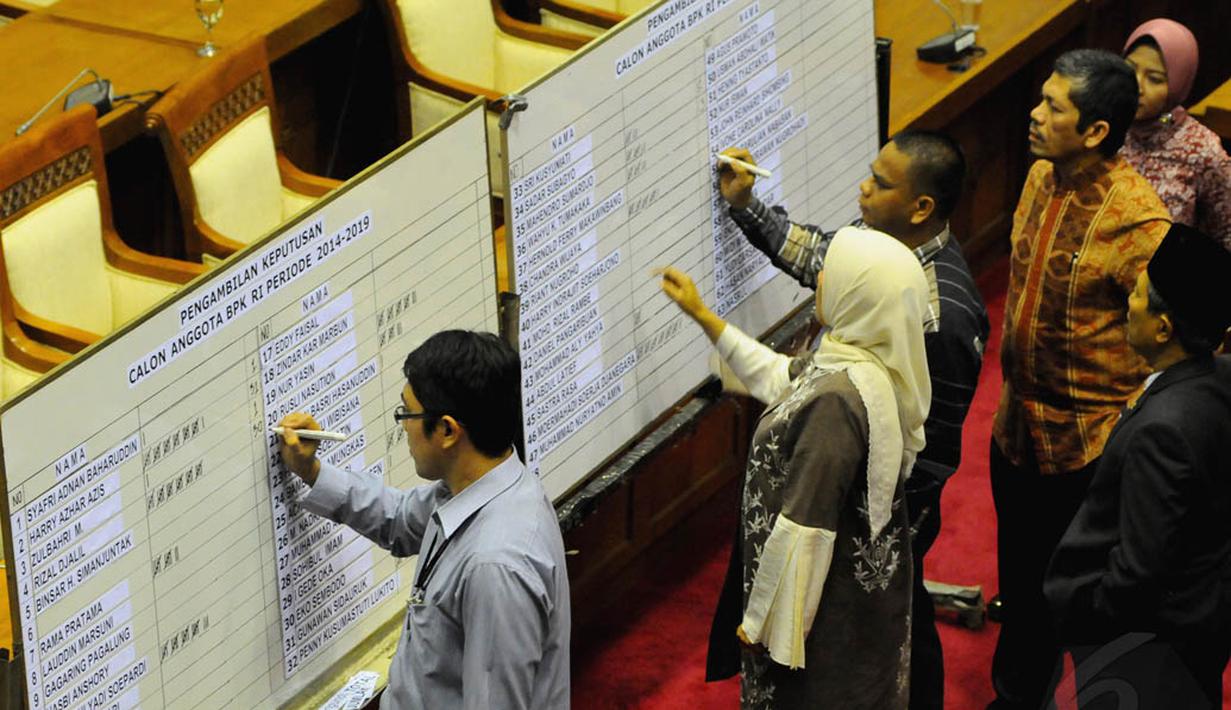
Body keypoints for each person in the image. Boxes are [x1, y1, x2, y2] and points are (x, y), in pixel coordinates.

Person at [715, 131, 989, 710]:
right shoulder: (880, 258)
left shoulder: (945, 315)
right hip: (849, 523)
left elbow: (930, 453)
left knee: (873, 636)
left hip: (865, 528)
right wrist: (747, 205)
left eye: (880, 183)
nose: (862, 188)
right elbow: (819, 255)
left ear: (921, 208)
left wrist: (880, 544)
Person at [659, 225, 931, 709]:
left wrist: (762, 624)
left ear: (859, 294)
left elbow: (806, 525)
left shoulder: (838, 404)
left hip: (816, 630)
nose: (821, 275)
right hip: (847, 615)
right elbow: (779, 377)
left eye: (834, 270)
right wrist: (703, 315)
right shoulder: (860, 365)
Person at [990, 49, 1171, 710]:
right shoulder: (1039, 175)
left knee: (1086, 608)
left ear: (1095, 131)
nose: (1033, 116)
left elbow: (1180, 345)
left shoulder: (1139, 221)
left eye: (1051, 107)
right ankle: (1015, 697)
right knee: (1019, 586)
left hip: (1089, 452)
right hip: (1014, 431)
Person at [276, 330, 570, 709]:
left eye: (407, 413)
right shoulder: (486, 483)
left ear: (447, 430)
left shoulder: (494, 565)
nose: (404, 428)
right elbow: (399, 519)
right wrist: (312, 470)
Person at [1044, 222, 1231, 709]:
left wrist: (1089, 619)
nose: (1128, 300)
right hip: (1202, 621)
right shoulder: (1217, 376)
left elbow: (1139, 570)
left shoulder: (1163, 429)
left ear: (1163, 327)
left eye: (1140, 294)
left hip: (1145, 650)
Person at [1121, 19, 1231, 249]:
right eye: (1129, 70)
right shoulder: (1102, 125)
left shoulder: (1201, 148)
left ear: (1177, 83)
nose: (1136, 86)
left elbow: (1227, 233)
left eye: (1154, 79)